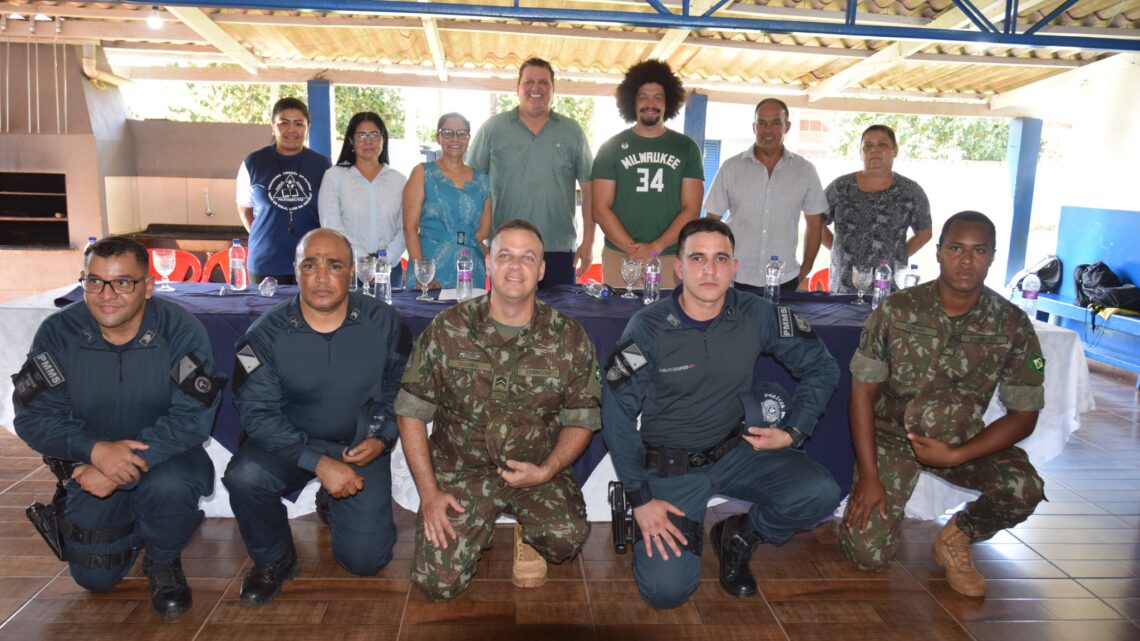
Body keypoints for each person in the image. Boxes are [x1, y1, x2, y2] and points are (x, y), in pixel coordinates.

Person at [602, 218, 841, 609]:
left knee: (821, 492)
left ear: (734, 268)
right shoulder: (647, 327)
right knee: (666, 591)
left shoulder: (758, 313)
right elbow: (617, 414)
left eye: (721, 259)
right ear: (678, 268)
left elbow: (822, 366)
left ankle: (741, 534)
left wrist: (795, 430)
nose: (709, 270)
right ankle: (666, 531)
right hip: (672, 468)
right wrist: (640, 499)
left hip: (738, 451)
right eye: (697, 258)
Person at [840, 211, 1045, 598]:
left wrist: (956, 455)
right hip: (892, 439)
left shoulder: (1011, 323)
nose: (966, 261)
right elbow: (861, 393)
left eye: (978, 251)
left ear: (992, 256)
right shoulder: (897, 309)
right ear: (938, 252)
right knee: (867, 556)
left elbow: (1024, 415)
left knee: (1024, 488)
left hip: (961, 441)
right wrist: (869, 475)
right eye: (956, 249)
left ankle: (958, 537)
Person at [13, 236, 220, 619]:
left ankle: (162, 557)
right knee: (95, 577)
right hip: (91, 461)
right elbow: (33, 417)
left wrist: (116, 470)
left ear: (148, 287)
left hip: (166, 459)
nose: (107, 295)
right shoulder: (58, 332)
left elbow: (192, 417)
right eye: (95, 281)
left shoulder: (180, 330)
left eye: (123, 282)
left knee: (171, 486)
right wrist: (94, 451)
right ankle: (142, 522)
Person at [396, 219, 601, 600]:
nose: (515, 266)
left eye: (527, 258)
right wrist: (429, 493)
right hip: (461, 470)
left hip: (536, 468)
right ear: (488, 262)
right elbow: (410, 411)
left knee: (565, 539)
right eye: (505, 255)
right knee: (437, 585)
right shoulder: (448, 328)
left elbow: (582, 418)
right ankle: (479, 521)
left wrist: (547, 470)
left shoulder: (568, 337)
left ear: (542, 269)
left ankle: (528, 530)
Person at [223, 228, 410, 607]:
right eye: (310, 265)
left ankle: (333, 501)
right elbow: (257, 415)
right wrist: (318, 463)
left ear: (352, 271)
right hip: (287, 445)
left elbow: (401, 388)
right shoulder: (261, 337)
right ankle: (273, 558)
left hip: (358, 446)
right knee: (245, 476)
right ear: (296, 270)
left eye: (334, 265)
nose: (322, 277)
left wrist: (383, 436)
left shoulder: (386, 323)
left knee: (366, 561)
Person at [467, 58, 595, 288]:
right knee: (506, 310)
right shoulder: (492, 129)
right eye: (529, 82)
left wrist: (588, 241)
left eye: (543, 82)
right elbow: (471, 186)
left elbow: (589, 188)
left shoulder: (572, 131)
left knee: (558, 311)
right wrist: (476, 238)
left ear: (553, 89)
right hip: (506, 246)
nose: (536, 87)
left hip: (557, 247)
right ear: (518, 88)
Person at [592, 59, 704, 289]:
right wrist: (634, 250)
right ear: (632, 101)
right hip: (620, 255)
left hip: (670, 256)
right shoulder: (611, 147)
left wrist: (654, 248)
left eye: (658, 97)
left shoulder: (686, 148)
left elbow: (692, 209)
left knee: (670, 313)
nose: (650, 103)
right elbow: (600, 209)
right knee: (617, 312)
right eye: (643, 97)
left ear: (668, 102)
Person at [703, 98, 827, 292]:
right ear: (754, 127)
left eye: (776, 123)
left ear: (787, 126)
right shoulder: (731, 168)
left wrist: (805, 269)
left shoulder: (805, 171)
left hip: (784, 279)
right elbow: (712, 221)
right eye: (762, 123)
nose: (767, 130)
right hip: (735, 276)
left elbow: (815, 224)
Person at [822, 124, 932, 293]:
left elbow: (924, 232)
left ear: (895, 150)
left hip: (889, 286)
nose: (874, 150)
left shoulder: (910, 191)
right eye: (867, 146)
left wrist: (898, 255)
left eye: (882, 144)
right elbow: (816, 223)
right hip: (843, 286)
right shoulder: (840, 187)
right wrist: (839, 251)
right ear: (861, 153)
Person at [236, 97, 331, 285]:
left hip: (311, 262)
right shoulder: (253, 163)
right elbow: (245, 209)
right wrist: (267, 238)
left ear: (307, 128)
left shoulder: (322, 165)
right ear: (273, 127)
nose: (291, 130)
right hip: (265, 262)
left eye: (299, 124)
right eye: (284, 123)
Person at [402, 112, 492, 289]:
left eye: (461, 133)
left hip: (470, 267)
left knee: (470, 308)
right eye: (448, 133)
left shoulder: (482, 180)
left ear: (468, 138)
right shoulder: (423, 173)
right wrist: (422, 273)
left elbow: (484, 231)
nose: (455, 138)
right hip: (430, 265)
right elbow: (410, 228)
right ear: (438, 138)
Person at [319, 111, 407, 286]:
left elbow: (406, 227)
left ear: (383, 139)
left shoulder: (399, 180)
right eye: (361, 135)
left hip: (389, 270)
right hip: (347, 267)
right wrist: (364, 263)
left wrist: (385, 262)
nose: (368, 141)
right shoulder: (334, 176)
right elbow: (331, 226)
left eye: (374, 134)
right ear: (351, 141)